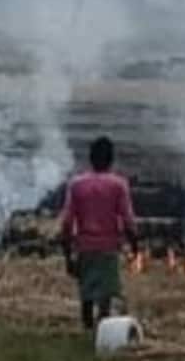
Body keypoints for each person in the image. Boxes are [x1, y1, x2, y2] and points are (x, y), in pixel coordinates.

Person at [59, 136, 140, 332]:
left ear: (91, 158)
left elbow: (67, 222)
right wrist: (134, 245)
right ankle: (102, 329)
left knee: (86, 293)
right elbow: (128, 219)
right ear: (111, 159)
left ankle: (87, 328)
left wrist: (68, 255)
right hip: (108, 247)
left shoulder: (77, 185)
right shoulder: (118, 185)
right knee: (105, 295)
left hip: (84, 247)